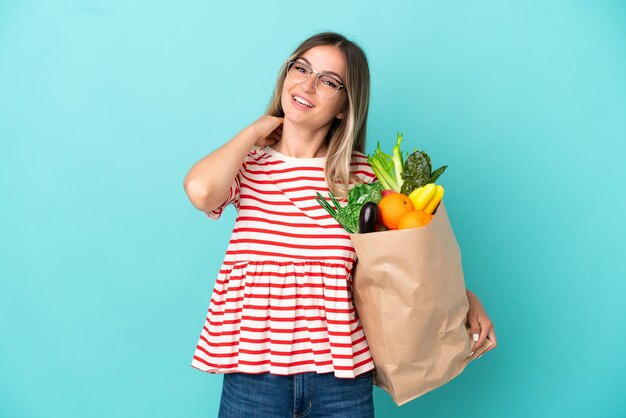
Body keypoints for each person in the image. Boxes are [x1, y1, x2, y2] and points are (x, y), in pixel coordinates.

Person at [183, 32, 497, 418]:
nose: (308, 84)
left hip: (341, 377)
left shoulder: (362, 177)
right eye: (301, 68)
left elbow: (402, 262)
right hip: (253, 372)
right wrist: (254, 131)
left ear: (345, 107)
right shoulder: (249, 164)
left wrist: (466, 299)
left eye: (329, 81)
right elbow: (200, 191)